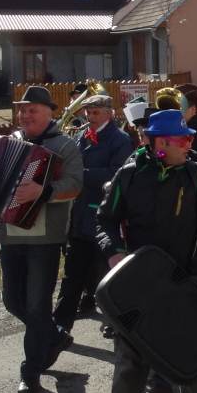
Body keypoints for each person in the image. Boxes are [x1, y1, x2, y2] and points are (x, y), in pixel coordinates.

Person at [94, 109, 197, 393]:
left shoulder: (196, 174)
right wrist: (113, 252)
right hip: (137, 284)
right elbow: (104, 219)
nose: (190, 145)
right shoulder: (129, 174)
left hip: (185, 281)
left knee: (189, 351)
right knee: (128, 362)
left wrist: (196, 274)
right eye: (183, 139)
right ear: (160, 144)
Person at [0, 85, 84, 393]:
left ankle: (30, 372)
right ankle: (54, 336)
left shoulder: (64, 145)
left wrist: (43, 192)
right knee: (13, 301)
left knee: (37, 306)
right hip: (8, 233)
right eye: (21, 110)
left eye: (32, 110)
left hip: (44, 238)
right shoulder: (10, 143)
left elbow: (75, 185)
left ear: (49, 112)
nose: (25, 115)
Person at [51, 94, 134, 334]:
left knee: (106, 274)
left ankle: (116, 321)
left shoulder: (120, 140)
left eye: (95, 112)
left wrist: (79, 174)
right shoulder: (81, 136)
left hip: (102, 216)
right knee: (72, 275)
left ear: (109, 113)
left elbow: (117, 175)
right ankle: (58, 329)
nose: (90, 117)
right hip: (78, 215)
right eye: (87, 112)